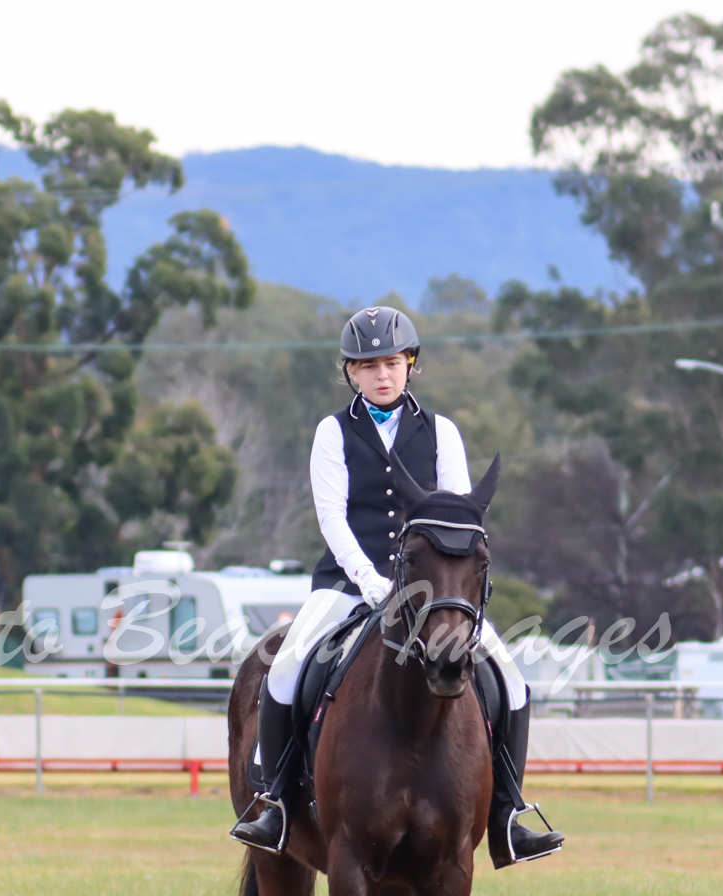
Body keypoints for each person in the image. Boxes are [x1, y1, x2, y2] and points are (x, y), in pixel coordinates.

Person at [230, 305, 565, 865]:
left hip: (433, 589)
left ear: (410, 364)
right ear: (351, 373)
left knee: (511, 680)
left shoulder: (440, 431)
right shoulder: (333, 432)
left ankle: (508, 812)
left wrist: (431, 585)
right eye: (368, 366)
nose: (381, 374)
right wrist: (369, 580)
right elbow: (331, 517)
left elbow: (457, 515)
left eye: (391, 363)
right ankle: (277, 802)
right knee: (285, 669)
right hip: (346, 583)